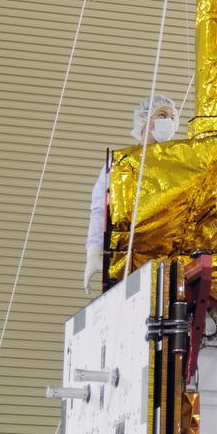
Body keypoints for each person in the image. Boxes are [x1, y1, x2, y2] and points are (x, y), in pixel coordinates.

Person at [83, 93, 179, 294]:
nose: (168, 121)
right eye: (162, 115)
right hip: (128, 258)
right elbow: (100, 208)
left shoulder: (179, 164)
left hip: (172, 258)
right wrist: (94, 253)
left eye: (172, 117)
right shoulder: (120, 164)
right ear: (144, 120)